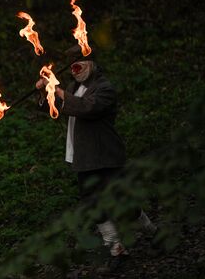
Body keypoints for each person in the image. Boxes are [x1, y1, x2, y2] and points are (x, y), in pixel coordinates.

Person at [35, 46, 156, 270]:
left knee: (123, 202)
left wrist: (58, 91)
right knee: (93, 204)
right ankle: (116, 250)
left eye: (80, 63)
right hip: (83, 158)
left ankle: (152, 232)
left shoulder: (104, 88)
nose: (76, 69)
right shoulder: (73, 87)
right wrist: (46, 93)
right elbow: (57, 108)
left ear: (93, 64)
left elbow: (87, 108)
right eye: (72, 66)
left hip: (106, 157)